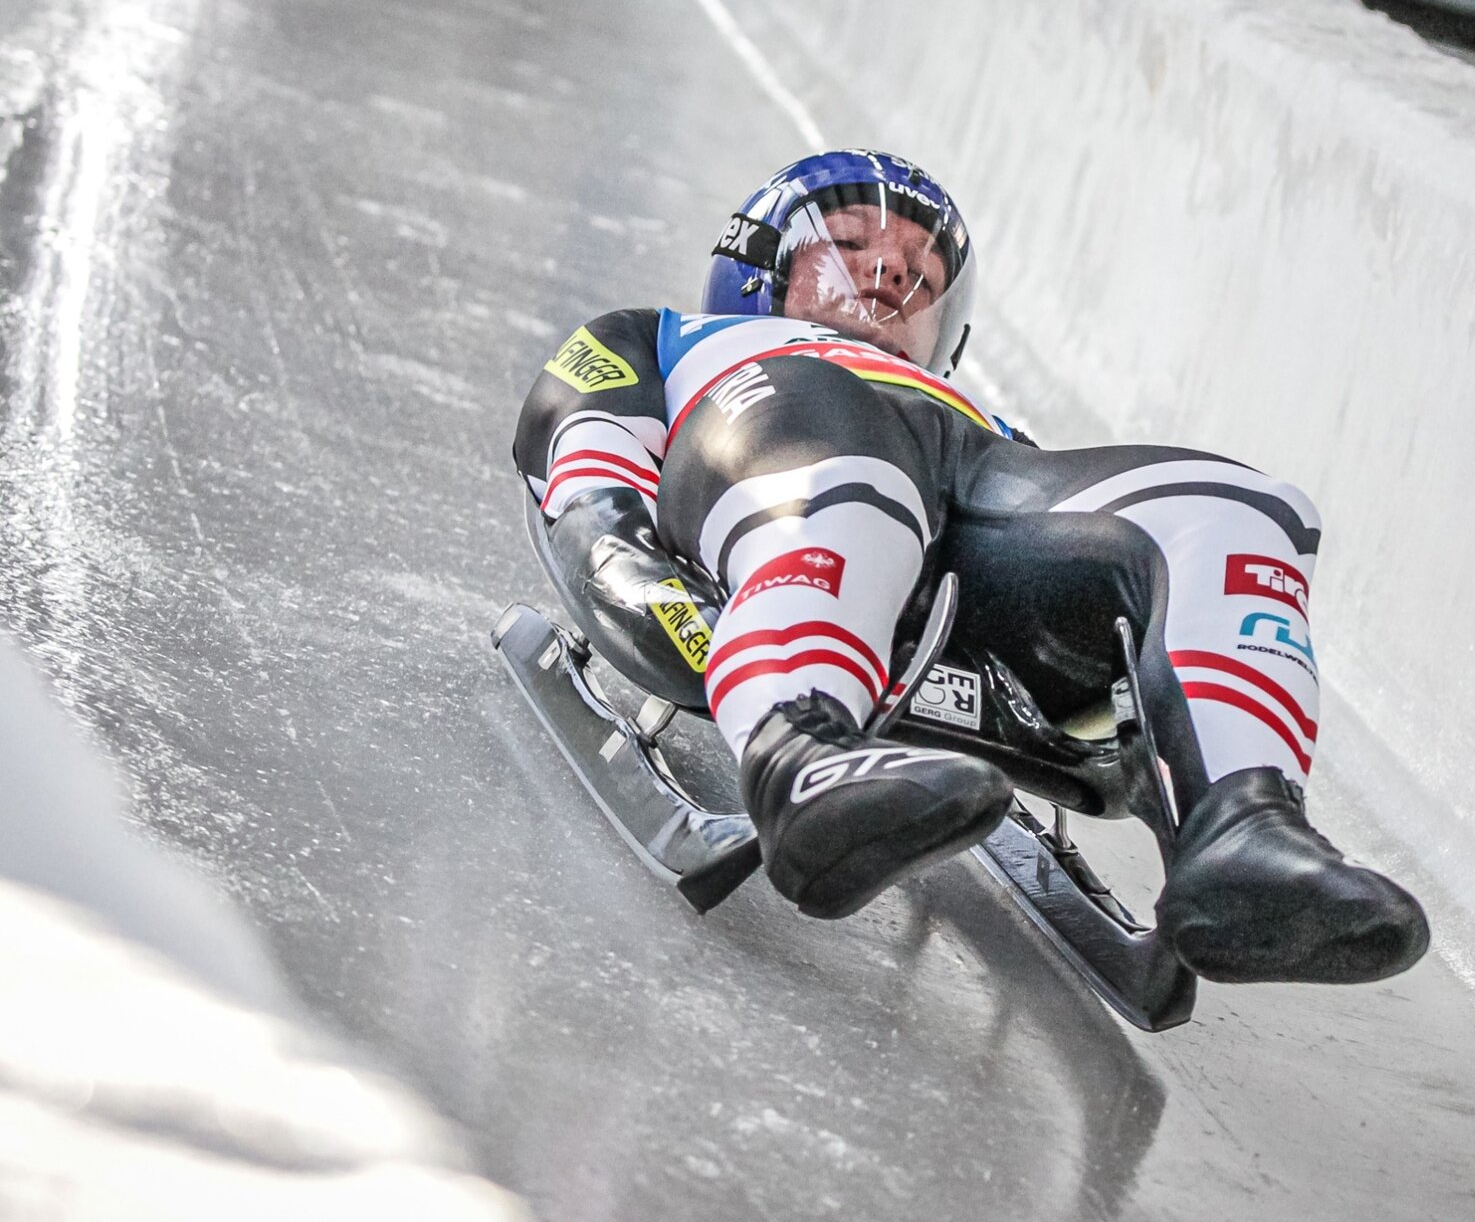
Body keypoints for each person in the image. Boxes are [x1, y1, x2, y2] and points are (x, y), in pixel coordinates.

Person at [513, 149, 1427, 985]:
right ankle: (801, 757)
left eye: (919, 274)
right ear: (760, 269)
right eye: (846, 246)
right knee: (849, 453)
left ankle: (1243, 829)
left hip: (976, 487)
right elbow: (587, 472)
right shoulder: (663, 338)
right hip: (774, 430)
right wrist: (637, 582)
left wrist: (1122, 723)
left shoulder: (979, 413)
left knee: (1238, 505)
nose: (887, 276)